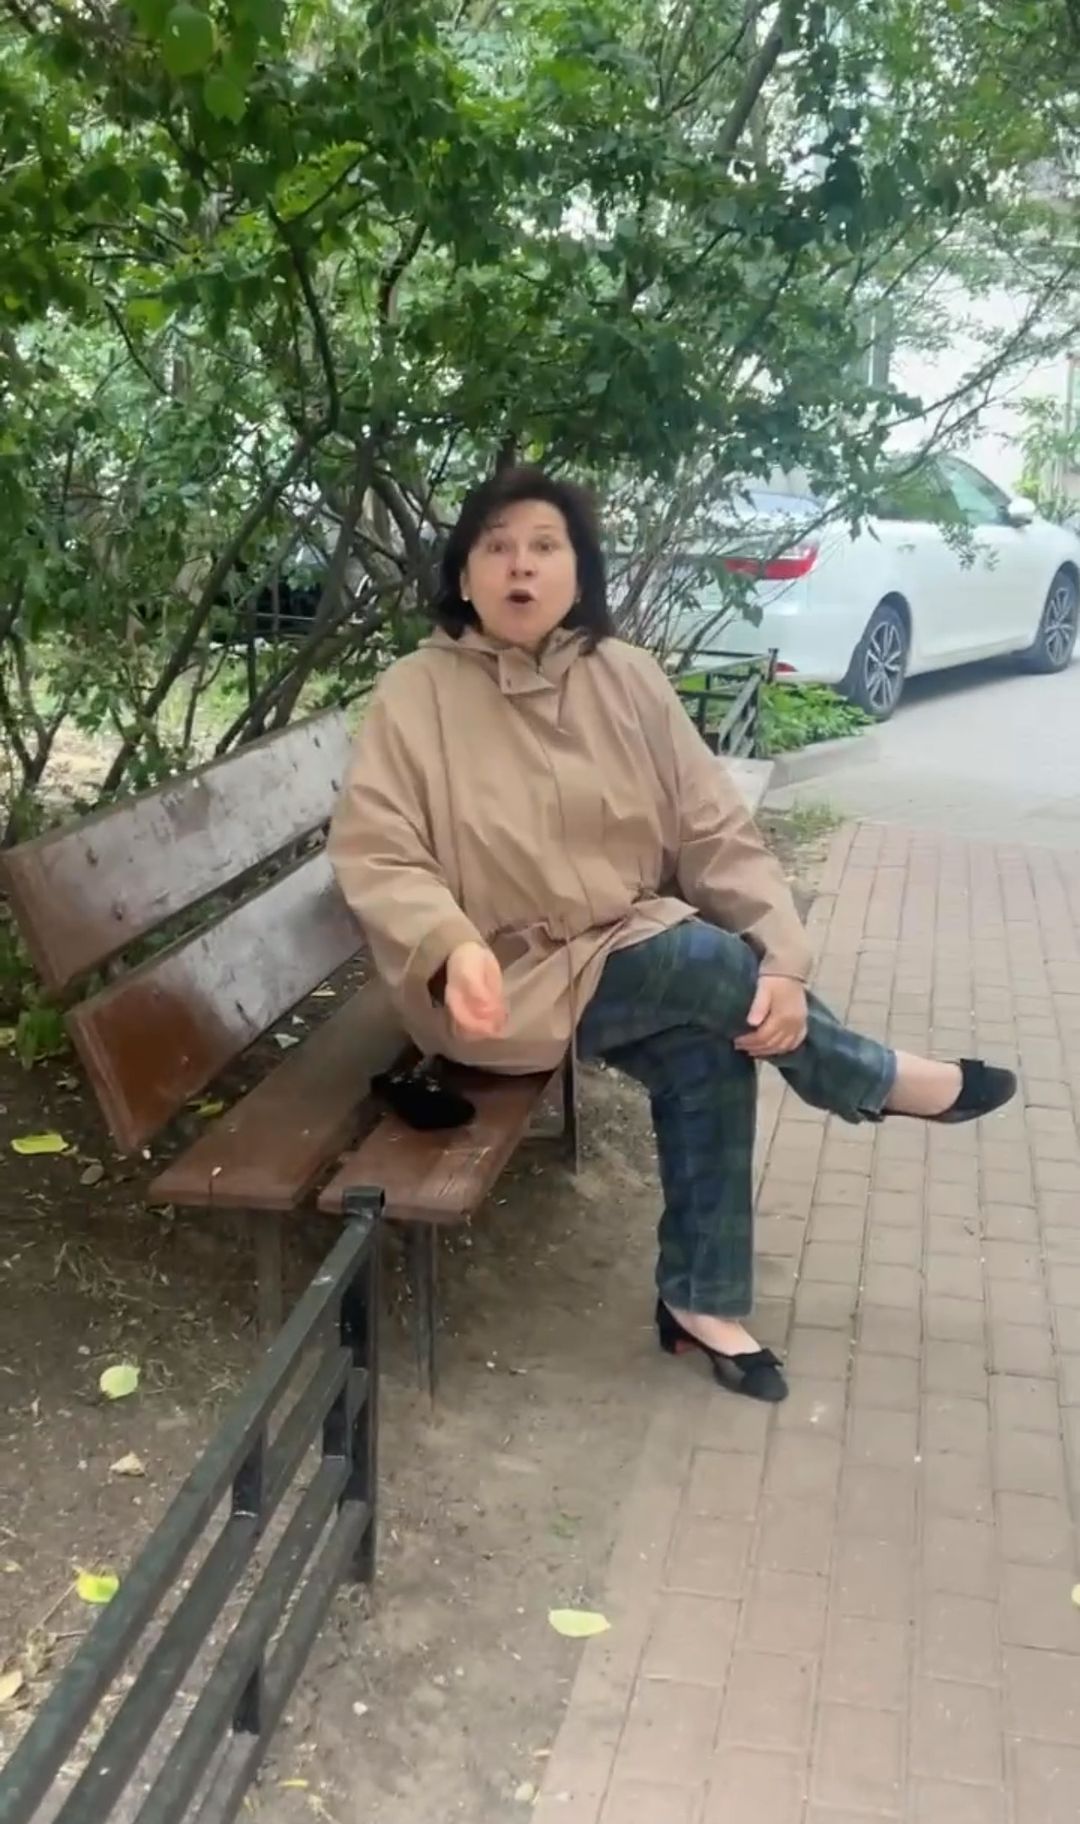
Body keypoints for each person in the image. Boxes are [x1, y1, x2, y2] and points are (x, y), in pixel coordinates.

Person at [328, 467, 1016, 1402]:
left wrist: (784, 962)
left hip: (620, 947)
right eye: (496, 547)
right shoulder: (416, 694)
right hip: (498, 982)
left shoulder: (627, 678)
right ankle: (870, 1077)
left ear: (579, 571)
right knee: (700, 960)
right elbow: (377, 849)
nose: (520, 566)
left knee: (710, 1046)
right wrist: (449, 944)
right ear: (464, 574)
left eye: (544, 546)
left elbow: (711, 830)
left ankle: (700, 1301)